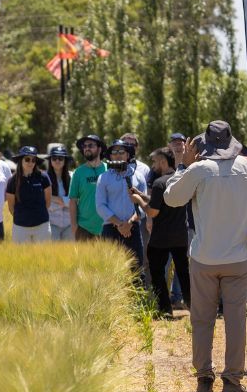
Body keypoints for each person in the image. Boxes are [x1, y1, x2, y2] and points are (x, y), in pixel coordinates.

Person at [163, 121, 247, 392]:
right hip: (239, 256)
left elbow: (172, 198)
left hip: (205, 257)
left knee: (203, 319)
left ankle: (204, 378)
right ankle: (232, 380)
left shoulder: (199, 169)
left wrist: (183, 165)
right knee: (236, 320)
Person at [144, 147, 191, 318]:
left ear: (163, 161)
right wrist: (143, 196)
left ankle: (164, 309)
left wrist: (139, 202)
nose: (153, 165)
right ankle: (193, 304)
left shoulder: (158, 183)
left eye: (155, 161)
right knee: (183, 272)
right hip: (180, 235)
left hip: (160, 238)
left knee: (157, 272)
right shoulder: (181, 180)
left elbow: (152, 212)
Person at [96, 139, 148, 270]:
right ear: (110, 156)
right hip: (111, 228)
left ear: (128, 155)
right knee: (109, 270)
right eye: (114, 152)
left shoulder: (139, 176)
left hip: (133, 228)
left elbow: (143, 205)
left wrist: (129, 223)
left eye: (121, 151)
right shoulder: (103, 177)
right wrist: (119, 224)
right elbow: (100, 206)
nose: (118, 154)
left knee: (136, 270)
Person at [5, 146, 52, 243]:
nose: (30, 163)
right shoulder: (12, 181)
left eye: (33, 160)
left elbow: (48, 202)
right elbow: (11, 207)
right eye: (27, 159)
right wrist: (23, 218)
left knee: (42, 257)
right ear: (20, 160)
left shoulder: (43, 177)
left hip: (42, 226)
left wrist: (37, 215)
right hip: (20, 227)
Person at [69, 135, 107, 241]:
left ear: (99, 149)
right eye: (84, 146)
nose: (87, 148)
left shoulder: (109, 170)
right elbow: (73, 201)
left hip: (107, 226)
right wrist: (74, 226)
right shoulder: (79, 172)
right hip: (83, 228)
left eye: (90, 145)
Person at [46, 145, 74, 241]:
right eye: (54, 158)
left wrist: (56, 199)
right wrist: (63, 201)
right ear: (50, 160)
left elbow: (76, 200)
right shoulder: (44, 177)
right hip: (51, 224)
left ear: (65, 160)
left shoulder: (73, 176)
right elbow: (43, 201)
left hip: (69, 225)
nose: (57, 161)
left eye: (60, 158)